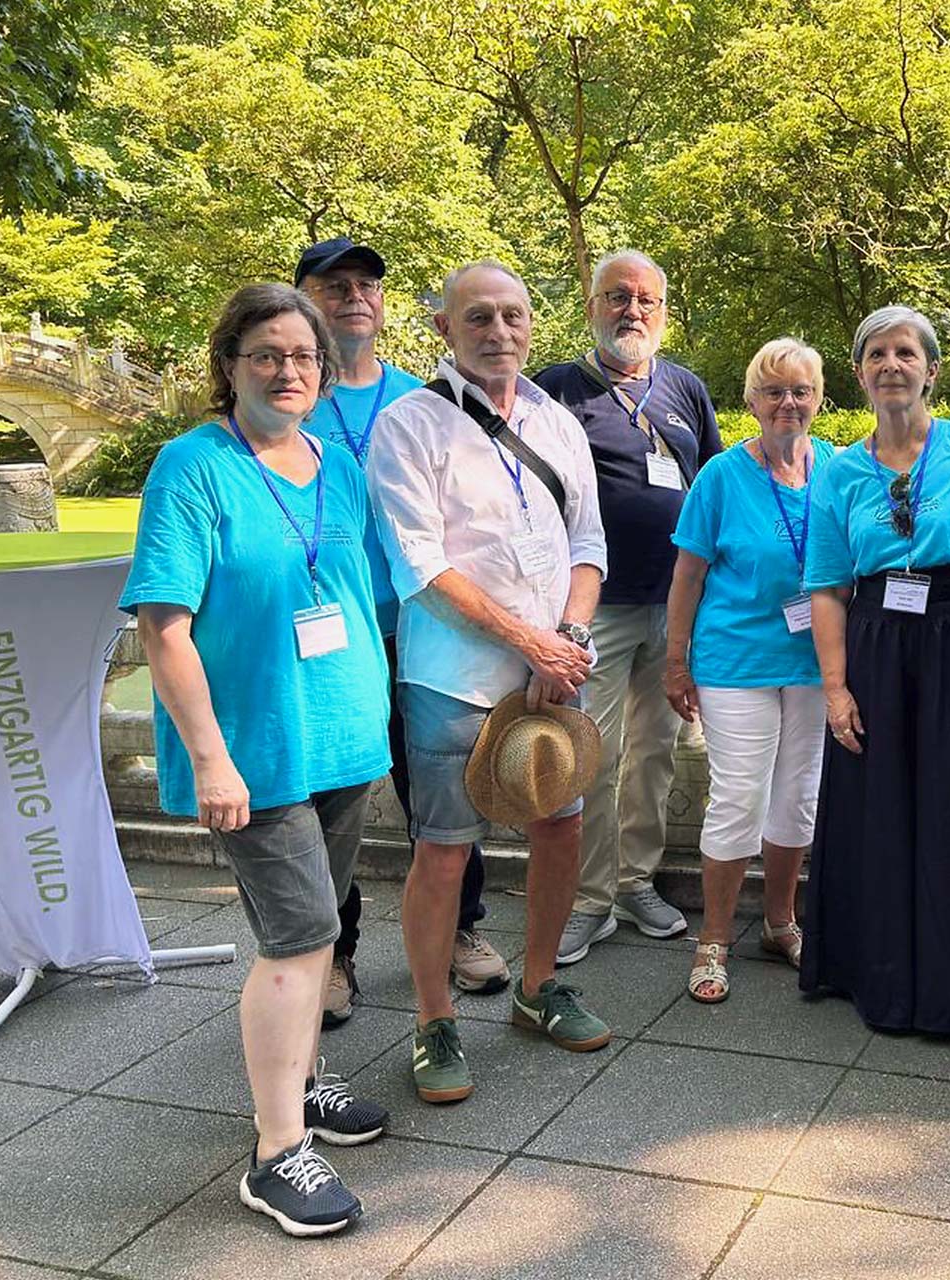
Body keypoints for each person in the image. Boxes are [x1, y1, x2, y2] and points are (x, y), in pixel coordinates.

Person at [122, 283, 391, 1236]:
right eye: (266, 355)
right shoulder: (192, 469)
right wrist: (211, 759)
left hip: (346, 739)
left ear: (324, 369)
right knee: (300, 936)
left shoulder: (337, 463)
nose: (288, 371)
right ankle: (277, 1154)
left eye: (303, 357)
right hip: (256, 751)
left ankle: (307, 1083)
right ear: (228, 365)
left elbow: (353, 590)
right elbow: (164, 628)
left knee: (323, 925)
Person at [365, 261, 610, 1105]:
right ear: (442, 329)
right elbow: (421, 564)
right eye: (478, 317)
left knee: (561, 830)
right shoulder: (409, 426)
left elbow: (589, 544)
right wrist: (529, 643)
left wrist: (567, 641)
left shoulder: (557, 419)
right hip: (455, 680)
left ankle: (539, 988)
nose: (499, 331)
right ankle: (435, 1019)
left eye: (513, 316)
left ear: (533, 324)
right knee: (443, 849)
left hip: (557, 673)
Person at [294, 236, 508, 1027]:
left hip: (423, 633)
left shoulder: (425, 400)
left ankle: (458, 930)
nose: (354, 297)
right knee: (336, 801)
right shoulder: (293, 400)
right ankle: (334, 951)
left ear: (384, 306)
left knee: (443, 794)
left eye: (366, 286)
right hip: (334, 638)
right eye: (334, 285)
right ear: (306, 301)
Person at [800, 304, 950, 1033]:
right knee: (878, 808)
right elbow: (828, 587)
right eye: (877, 354)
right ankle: (882, 978)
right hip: (874, 646)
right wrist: (835, 690)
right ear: (858, 373)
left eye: (906, 352)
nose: (892, 365)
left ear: (931, 368)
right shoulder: (840, 471)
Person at [537, 250, 723, 963]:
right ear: (592, 307)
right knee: (594, 756)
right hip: (596, 609)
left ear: (665, 313)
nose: (632, 311)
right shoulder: (555, 389)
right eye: (617, 298)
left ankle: (637, 881)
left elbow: (708, 493)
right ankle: (588, 899)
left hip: (673, 607)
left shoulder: (685, 389)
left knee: (654, 755)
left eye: (646, 300)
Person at [664, 338, 835, 1001]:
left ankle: (779, 922)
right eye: (773, 391)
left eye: (800, 390)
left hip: (814, 666)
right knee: (739, 794)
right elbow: (687, 574)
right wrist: (675, 662)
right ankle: (711, 939)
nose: (787, 403)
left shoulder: (838, 473)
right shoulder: (721, 477)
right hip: (735, 662)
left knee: (800, 795)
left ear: (819, 399)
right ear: (750, 402)